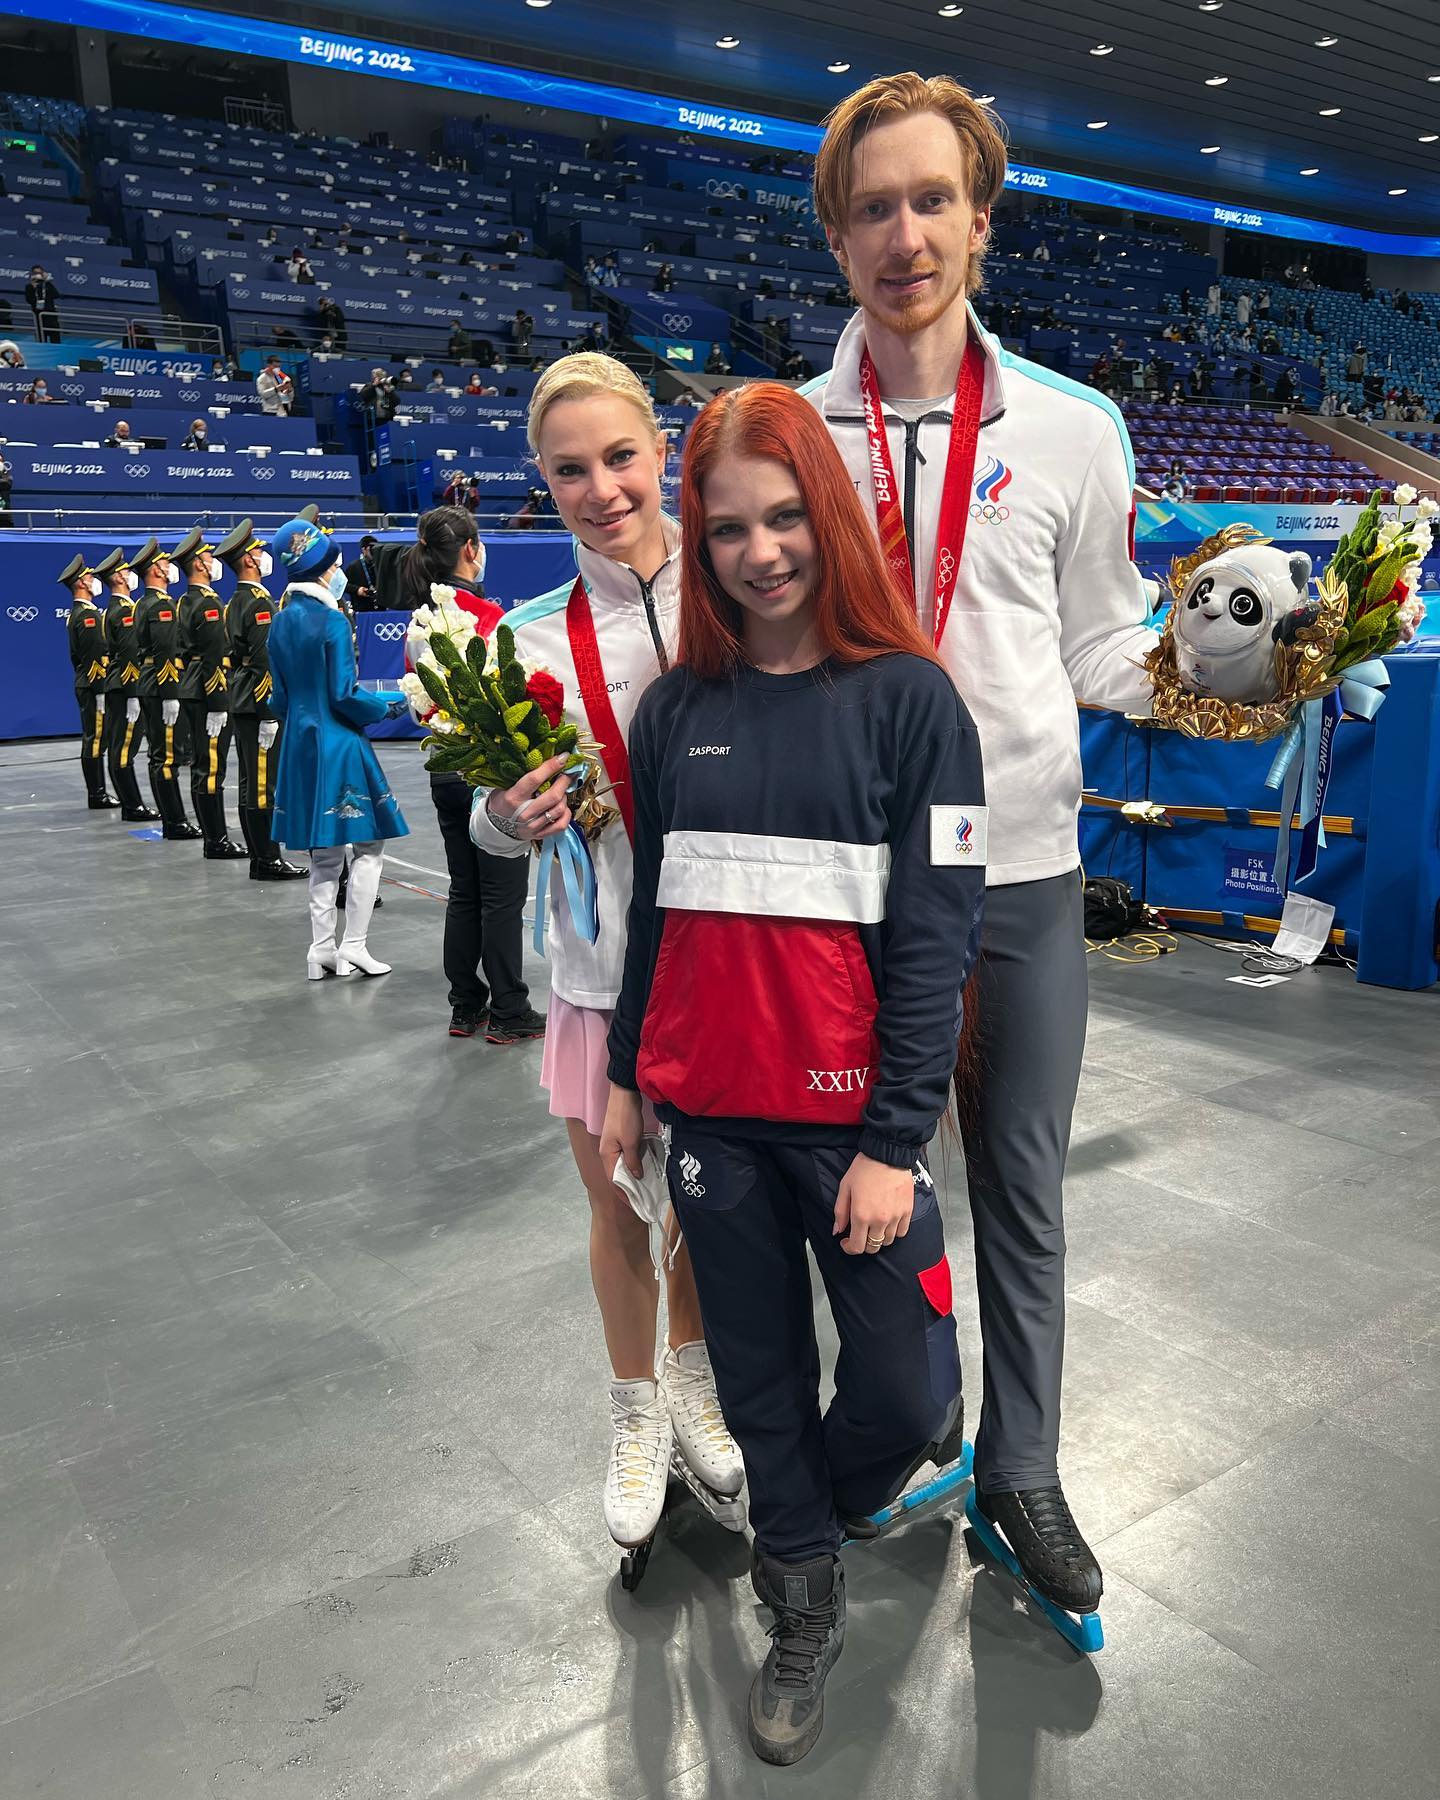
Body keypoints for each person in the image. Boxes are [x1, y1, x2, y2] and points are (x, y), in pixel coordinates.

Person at [804, 70, 1161, 1619]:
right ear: (837, 238)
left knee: (1022, 1188)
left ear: (982, 220)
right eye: (873, 208)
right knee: (857, 1189)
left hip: (1017, 875)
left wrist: (1224, 671)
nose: (906, 236)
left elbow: (1103, 646)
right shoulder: (791, 434)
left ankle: (1022, 1469)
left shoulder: (1075, 431)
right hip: (847, 886)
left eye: (932, 200)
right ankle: (899, 1416)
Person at [601, 382, 984, 1766]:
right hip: (713, 1117)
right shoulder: (675, 712)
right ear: (697, 545)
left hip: (855, 1137)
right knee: (757, 1375)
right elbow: (658, 916)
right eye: (726, 530)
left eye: (783, 519)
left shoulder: (915, 703)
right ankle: (800, 1590)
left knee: (908, 1390)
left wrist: (893, 1140)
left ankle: (809, 1510)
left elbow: (938, 940)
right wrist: (632, 1073)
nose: (760, 553)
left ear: (829, 513)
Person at [468, 353, 743, 1556]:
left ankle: (696, 1377)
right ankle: (635, 1408)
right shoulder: (523, 640)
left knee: (711, 1201)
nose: (602, 489)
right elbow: (486, 819)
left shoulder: (738, 594)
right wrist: (504, 816)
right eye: (569, 470)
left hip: (733, 973)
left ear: (662, 447)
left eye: (621, 457)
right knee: (619, 1202)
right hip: (599, 976)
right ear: (543, 481)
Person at [393, 507, 545, 1042]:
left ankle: (465, 1005)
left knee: (465, 890)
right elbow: (513, 695)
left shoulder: (418, 622)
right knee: (501, 895)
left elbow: (418, 703)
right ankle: (509, 1009)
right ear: (470, 550)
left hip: (444, 767)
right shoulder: (488, 616)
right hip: (488, 775)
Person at [265, 518, 408, 979]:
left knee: (324, 853)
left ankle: (320, 949)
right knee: (368, 844)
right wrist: (388, 706)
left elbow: (279, 698)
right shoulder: (332, 621)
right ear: (324, 568)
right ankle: (355, 945)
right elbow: (344, 694)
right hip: (339, 743)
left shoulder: (279, 622)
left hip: (300, 744)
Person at [217, 519, 307, 882]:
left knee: (249, 782)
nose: (263, 555)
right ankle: (267, 859)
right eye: (257, 551)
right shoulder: (258, 603)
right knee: (262, 784)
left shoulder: (234, 602)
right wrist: (270, 710)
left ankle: (260, 857)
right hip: (258, 703)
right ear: (249, 561)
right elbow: (264, 658)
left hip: (242, 698)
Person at [173, 527, 247, 860]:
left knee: (202, 764)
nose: (213, 561)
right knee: (212, 767)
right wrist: (219, 702)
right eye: (207, 556)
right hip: (208, 691)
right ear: (200, 565)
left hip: (191, 687)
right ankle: (216, 840)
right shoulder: (208, 603)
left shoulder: (184, 601)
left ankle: (211, 835)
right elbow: (214, 655)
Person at [133, 536, 201, 840]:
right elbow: (164, 652)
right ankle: (175, 822)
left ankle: (171, 819)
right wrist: (171, 694)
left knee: (159, 755)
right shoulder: (161, 605)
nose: (169, 567)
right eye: (164, 563)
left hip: (150, 683)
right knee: (167, 757)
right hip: (163, 686)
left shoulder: (142, 603)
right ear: (156, 570)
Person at [93, 542, 160, 822]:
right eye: (126, 571)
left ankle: (130, 803)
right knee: (124, 748)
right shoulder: (123, 610)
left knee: (119, 744)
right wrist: (133, 693)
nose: (131, 575)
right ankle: (132, 805)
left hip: (116, 683)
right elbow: (129, 653)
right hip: (125, 684)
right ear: (119, 577)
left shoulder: (113, 608)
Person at [58, 553, 119, 810]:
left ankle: (98, 792)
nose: (95, 581)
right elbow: (93, 657)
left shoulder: (80, 613)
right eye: (90, 577)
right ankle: (97, 794)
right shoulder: (88, 616)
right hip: (94, 685)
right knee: (95, 739)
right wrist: (101, 690)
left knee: (95, 737)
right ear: (82, 583)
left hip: (87, 682)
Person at [343, 535, 381, 611]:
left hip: (380, 609)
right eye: (371, 549)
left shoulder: (381, 565)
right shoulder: (354, 566)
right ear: (364, 550)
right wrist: (357, 590)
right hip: (361, 609)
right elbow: (343, 585)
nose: (374, 552)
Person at [26, 265, 60, 342]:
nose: (38, 275)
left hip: (50, 314)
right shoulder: (29, 286)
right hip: (38, 314)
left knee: (54, 335)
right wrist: (33, 288)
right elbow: (29, 300)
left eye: (40, 273)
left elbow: (56, 295)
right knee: (41, 336)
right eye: (35, 273)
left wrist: (47, 281)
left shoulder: (47, 285)